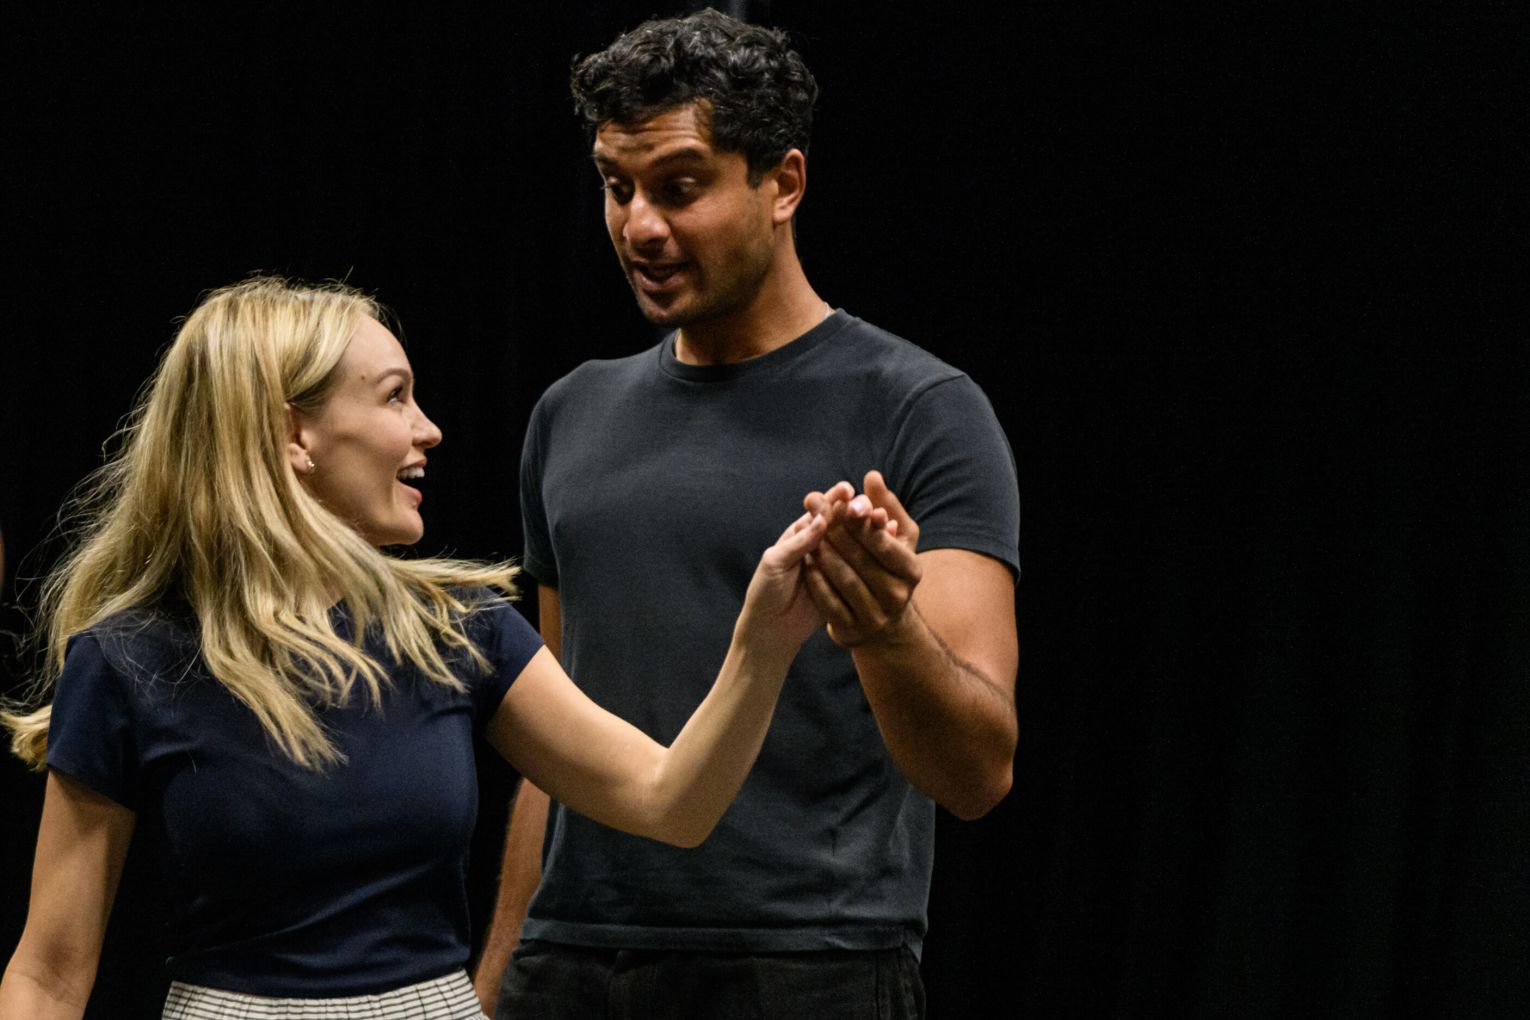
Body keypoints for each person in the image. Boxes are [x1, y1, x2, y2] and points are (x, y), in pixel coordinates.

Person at [0, 276, 845, 1020]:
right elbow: (47, 976)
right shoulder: (128, 661)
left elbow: (672, 802)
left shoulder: (457, 631)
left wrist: (762, 642)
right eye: (395, 397)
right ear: (294, 434)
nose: (430, 429)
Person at [475, 9, 1021, 1018]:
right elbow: (551, 744)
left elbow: (979, 771)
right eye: (617, 187)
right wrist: (498, 981)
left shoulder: (918, 410)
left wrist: (886, 629)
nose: (641, 225)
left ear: (784, 184)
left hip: (805, 966)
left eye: (680, 187)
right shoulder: (571, 414)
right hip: (572, 963)